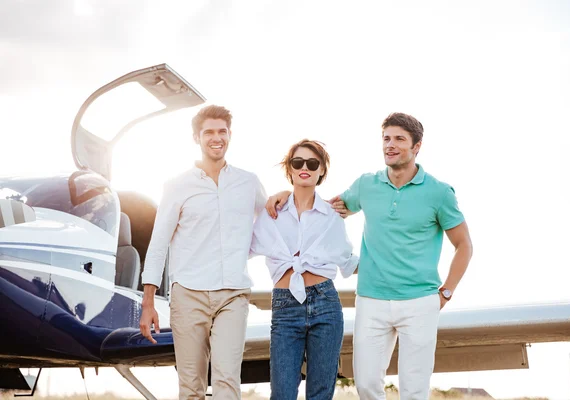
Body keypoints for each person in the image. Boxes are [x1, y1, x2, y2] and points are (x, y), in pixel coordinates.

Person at [266, 113, 473, 400]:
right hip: (372, 299)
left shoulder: (439, 193)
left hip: (419, 301)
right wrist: (285, 195)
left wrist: (446, 292)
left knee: (414, 390)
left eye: (399, 139)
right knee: (365, 385)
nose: (391, 145)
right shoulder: (366, 185)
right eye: (386, 138)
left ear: (417, 146)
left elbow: (464, 245)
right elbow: (320, 208)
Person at [139, 104, 268, 400]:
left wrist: (244, 250)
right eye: (209, 132)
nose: (216, 137)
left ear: (230, 135)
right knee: (191, 387)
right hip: (188, 295)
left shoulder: (248, 182)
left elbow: (272, 223)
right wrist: (148, 302)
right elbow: (158, 244)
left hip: (233, 293)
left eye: (222, 131)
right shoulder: (176, 185)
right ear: (196, 137)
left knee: (226, 381)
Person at [251, 139, 358, 400]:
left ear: (321, 170)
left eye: (313, 163)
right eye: (297, 162)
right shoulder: (272, 212)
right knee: (282, 392)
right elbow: (242, 247)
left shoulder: (333, 215)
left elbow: (348, 261)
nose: (305, 168)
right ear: (289, 169)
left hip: (325, 303)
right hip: (285, 306)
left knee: (320, 393)